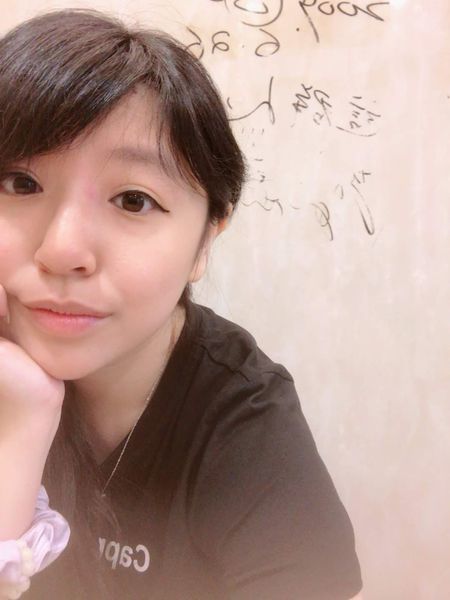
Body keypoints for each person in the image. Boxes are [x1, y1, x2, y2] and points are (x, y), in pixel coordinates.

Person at [0, 8, 363, 600]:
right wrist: (20, 420)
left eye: (134, 200)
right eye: (21, 184)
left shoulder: (243, 419)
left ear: (205, 241)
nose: (62, 250)